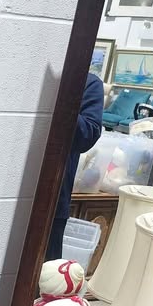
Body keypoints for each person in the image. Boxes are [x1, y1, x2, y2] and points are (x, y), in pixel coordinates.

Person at [46, 72, 103, 261]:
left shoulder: (88, 83)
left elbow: (88, 136)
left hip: (54, 196)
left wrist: (64, 99)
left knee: (47, 274)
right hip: (11, 187)